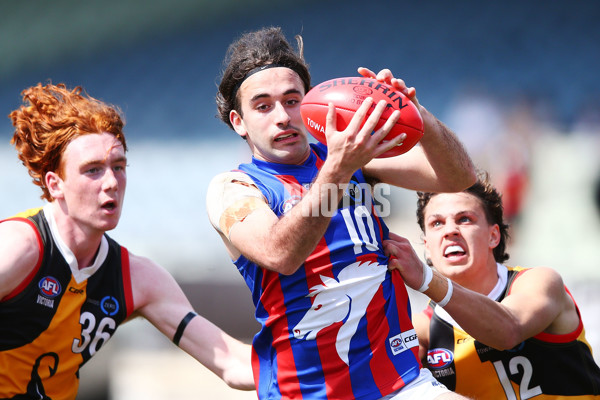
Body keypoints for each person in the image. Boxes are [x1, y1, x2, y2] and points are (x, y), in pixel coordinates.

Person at [206, 26, 477, 399]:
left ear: (311, 101)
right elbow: (280, 254)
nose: (282, 117)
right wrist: (337, 168)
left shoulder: (356, 159)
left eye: (291, 100)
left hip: (403, 382)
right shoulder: (233, 188)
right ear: (239, 122)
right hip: (308, 391)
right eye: (263, 106)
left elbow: (459, 177)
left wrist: (418, 115)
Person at [0, 83, 254, 399]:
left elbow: (232, 363)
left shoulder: (137, 278)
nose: (111, 183)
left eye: (118, 167)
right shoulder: (19, 248)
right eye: (92, 170)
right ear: (55, 184)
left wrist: (316, 359)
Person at [383, 171, 600, 398]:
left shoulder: (540, 282)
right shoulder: (424, 329)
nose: (450, 231)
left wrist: (426, 279)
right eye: (437, 223)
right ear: (427, 247)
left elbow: (508, 330)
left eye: (464, 219)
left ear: (493, 236)